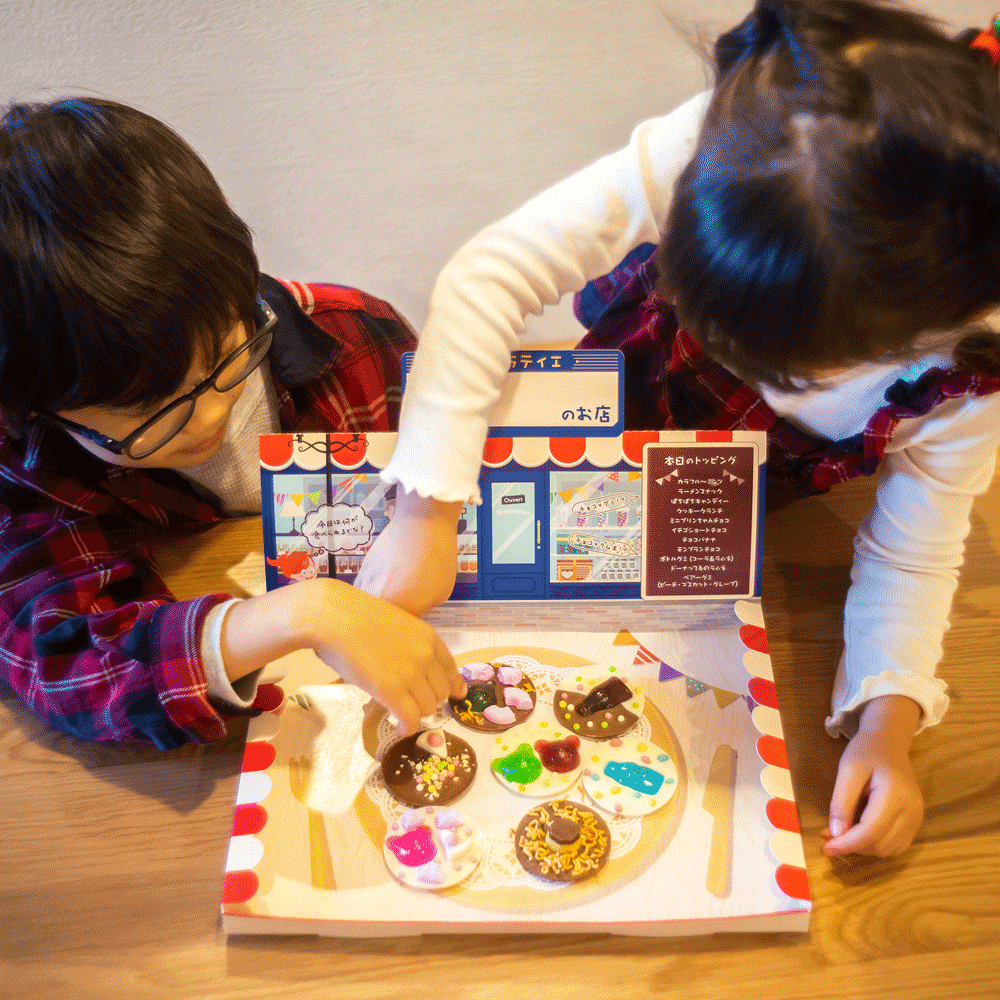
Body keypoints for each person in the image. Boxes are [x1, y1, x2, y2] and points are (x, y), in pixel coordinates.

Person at [358, 0, 1000, 857]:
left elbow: (913, 552)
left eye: (791, 375)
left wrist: (888, 719)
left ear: (915, 339)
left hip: (734, 524)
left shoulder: (969, 368)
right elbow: (490, 273)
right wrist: (426, 509)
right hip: (603, 442)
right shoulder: (745, 136)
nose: (749, 375)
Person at [0, 96, 465, 749]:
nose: (210, 414)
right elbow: (59, 660)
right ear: (41, 412)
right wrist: (305, 611)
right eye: (149, 417)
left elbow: (452, 448)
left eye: (224, 357)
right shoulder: (33, 461)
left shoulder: (359, 339)